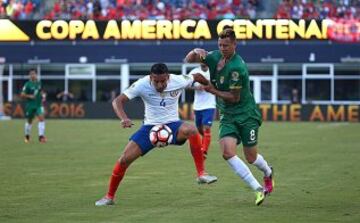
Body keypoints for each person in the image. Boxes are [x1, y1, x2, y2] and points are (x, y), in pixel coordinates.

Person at [95, 63, 218, 206]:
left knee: (192, 130)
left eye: (163, 81)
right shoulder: (141, 84)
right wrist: (124, 118)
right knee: (123, 160)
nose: (159, 85)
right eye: (156, 81)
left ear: (168, 77)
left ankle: (201, 174)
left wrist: (210, 86)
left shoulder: (178, 80)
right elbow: (118, 101)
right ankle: (109, 197)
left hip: (173, 125)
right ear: (150, 78)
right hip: (149, 128)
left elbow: (197, 76)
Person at [184, 28, 274, 206]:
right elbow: (188, 59)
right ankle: (257, 189)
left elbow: (234, 97)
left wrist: (212, 89)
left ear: (235, 45)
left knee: (251, 157)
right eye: (220, 45)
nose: (223, 48)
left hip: (246, 115)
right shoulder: (215, 56)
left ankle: (268, 172)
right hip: (227, 115)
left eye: (226, 45)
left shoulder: (236, 68)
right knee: (227, 152)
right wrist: (196, 51)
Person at [187, 64, 216, 158]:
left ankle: (203, 151)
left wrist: (210, 87)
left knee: (206, 127)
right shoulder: (194, 72)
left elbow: (219, 85)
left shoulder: (213, 72)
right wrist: (196, 87)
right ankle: (205, 142)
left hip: (209, 105)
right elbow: (186, 85)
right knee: (199, 129)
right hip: (198, 105)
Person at [20, 69, 47, 143]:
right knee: (29, 121)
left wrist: (43, 95)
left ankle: (41, 137)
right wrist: (30, 96)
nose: (33, 75)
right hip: (30, 106)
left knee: (41, 118)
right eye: (31, 74)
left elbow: (41, 91)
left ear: (36, 74)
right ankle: (27, 135)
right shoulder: (27, 84)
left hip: (38, 105)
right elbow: (22, 94)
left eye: (34, 74)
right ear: (29, 75)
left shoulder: (39, 83)